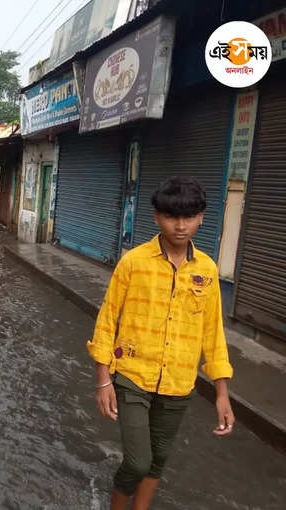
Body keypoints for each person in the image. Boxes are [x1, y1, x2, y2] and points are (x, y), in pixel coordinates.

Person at [87, 177, 234, 510]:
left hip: (179, 384)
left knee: (158, 459)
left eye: (188, 216)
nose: (180, 226)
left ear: (201, 217)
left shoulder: (208, 271)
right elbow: (108, 318)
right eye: (171, 216)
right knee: (138, 462)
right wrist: (102, 379)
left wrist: (222, 394)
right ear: (156, 217)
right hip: (132, 376)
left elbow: (213, 334)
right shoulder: (134, 262)